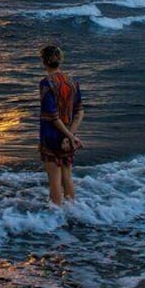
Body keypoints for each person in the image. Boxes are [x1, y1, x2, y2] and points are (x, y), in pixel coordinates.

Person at [38, 45, 85, 205]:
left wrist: (68, 136)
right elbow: (79, 112)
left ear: (44, 61)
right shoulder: (73, 82)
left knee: (54, 181)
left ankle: (56, 220)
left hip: (52, 135)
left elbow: (52, 116)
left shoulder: (46, 83)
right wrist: (71, 136)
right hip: (68, 136)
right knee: (67, 176)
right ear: (60, 60)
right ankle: (72, 212)